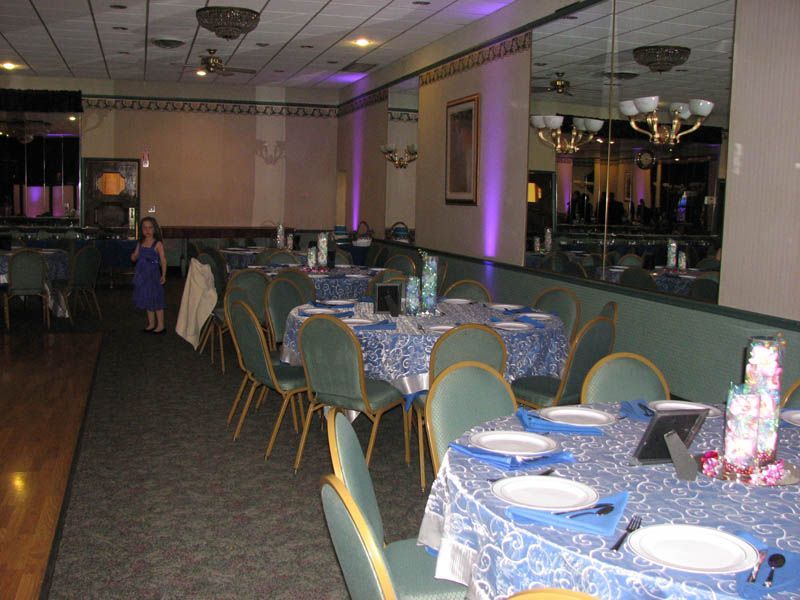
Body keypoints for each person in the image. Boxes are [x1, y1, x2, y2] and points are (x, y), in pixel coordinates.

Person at [132, 216, 167, 334]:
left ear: (154, 229)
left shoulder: (157, 244)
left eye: (150, 228)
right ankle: (151, 323)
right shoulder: (141, 243)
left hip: (153, 274)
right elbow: (135, 255)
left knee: (156, 298)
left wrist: (164, 274)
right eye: (145, 228)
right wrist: (133, 256)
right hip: (142, 274)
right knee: (147, 298)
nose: (147, 230)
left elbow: (163, 260)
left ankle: (161, 325)